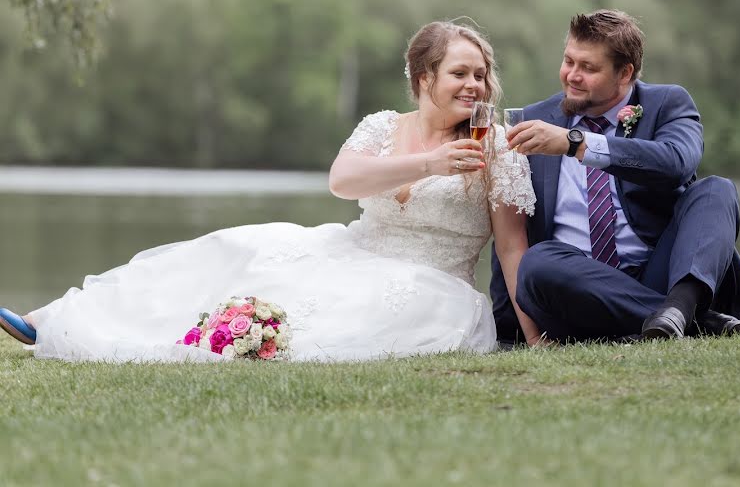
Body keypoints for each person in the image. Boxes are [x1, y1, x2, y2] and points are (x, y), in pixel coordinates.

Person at [0, 20, 535, 362]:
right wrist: (430, 162)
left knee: (331, 320)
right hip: (354, 249)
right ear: (423, 78)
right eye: (460, 73)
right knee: (232, 250)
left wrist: (534, 339)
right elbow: (341, 181)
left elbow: (511, 248)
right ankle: (52, 318)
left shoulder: (496, 149)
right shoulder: (381, 127)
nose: (475, 86)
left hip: (431, 285)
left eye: (482, 76)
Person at [490, 9, 740, 345]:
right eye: (569, 61)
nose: (572, 75)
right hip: (575, 289)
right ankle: (690, 320)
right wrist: (508, 330)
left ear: (625, 73)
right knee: (538, 263)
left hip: (657, 274)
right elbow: (508, 228)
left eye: (588, 68)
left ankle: (676, 309)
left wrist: (576, 143)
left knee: (716, 191)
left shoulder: (667, 103)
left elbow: (678, 162)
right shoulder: (532, 119)